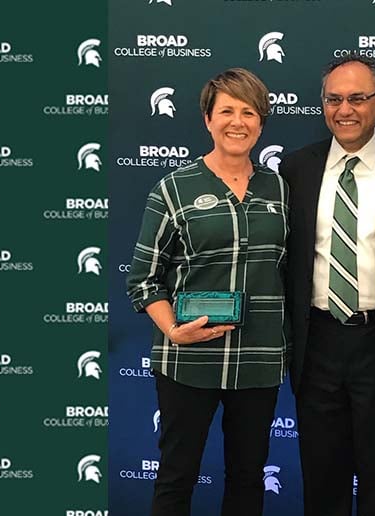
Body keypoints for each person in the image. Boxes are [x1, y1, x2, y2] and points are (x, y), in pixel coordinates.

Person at [125, 68, 288, 516]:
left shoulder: (281, 189)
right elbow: (142, 278)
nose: (238, 122)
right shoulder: (173, 189)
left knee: (247, 476)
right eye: (227, 111)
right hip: (188, 359)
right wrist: (174, 330)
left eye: (249, 112)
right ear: (207, 119)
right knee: (178, 475)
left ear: (261, 121)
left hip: (258, 358)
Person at [281, 55, 375, 516]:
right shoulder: (297, 168)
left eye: (357, 99)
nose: (344, 109)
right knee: (321, 477)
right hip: (317, 341)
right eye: (334, 99)